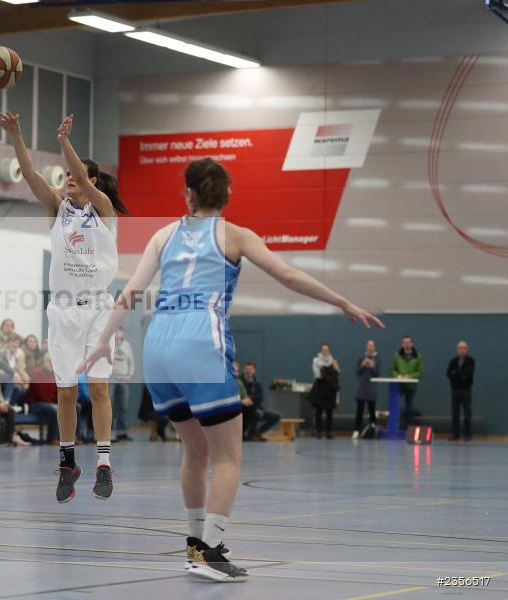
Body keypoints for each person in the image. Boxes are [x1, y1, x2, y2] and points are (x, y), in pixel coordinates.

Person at [79, 157, 382, 582]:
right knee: (227, 457)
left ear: (187, 194)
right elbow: (288, 275)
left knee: (194, 450)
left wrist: (100, 343)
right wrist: (343, 302)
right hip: (200, 342)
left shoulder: (163, 235)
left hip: (158, 346)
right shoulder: (235, 235)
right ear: (228, 195)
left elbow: (129, 292)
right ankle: (210, 551)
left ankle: (195, 544)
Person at [0, 111, 129, 502]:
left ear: (90, 181)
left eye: (76, 174)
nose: (68, 177)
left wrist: (64, 143)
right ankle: (69, 460)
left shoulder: (102, 209)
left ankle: (104, 463)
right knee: (66, 393)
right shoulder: (57, 209)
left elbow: (81, 176)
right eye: (68, 174)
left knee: (101, 389)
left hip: (98, 309)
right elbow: (28, 174)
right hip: (63, 311)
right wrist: (17, 135)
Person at [240, 362, 280, 442]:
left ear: (254, 370)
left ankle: (257, 433)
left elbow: (260, 397)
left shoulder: (257, 383)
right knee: (258, 414)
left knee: (275, 416)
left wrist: (252, 400)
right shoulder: (240, 382)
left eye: (251, 369)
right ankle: (250, 435)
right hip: (245, 409)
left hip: (257, 407)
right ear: (244, 370)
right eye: (247, 369)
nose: (249, 371)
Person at [26, 355, 60, 444]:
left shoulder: (54, 374)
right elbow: (40, 394)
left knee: (76, 407)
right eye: (49, 361)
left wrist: (60, 403)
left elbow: (57, 393)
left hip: (49, 404)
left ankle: (73, 437)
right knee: (54, 409)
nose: (51, 364)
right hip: (35, 404)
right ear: (44, 362)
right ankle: (51, 438)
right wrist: (55, 405)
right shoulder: (37, 373)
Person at [391, 335, 424, 429]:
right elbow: (392, 369)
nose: (407, 344)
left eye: (408, 342)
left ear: (412, 344)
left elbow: (420, 372)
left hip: (411, 386)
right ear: (402, 344)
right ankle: (396, 427)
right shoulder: (397, 356)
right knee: (396, 405)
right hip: (399, 385)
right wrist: (398, 376)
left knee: (409, 407)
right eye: (405, 342)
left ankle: (407, 428)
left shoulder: (418, 356)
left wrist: (409, 376)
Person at [309, 344, 340, 439]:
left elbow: (337, 372)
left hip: (330, 389)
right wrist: (329, 372)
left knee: (329, 411)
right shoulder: (316, 360)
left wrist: (326, 371)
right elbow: (318, 374)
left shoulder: (333, 361)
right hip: (320, 387)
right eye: (323, 350)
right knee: (319, 411)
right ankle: (318, 431)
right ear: (320, 351)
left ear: (329, 351)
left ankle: (329, 432)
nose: (325, 352)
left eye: (327, 350)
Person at [447, 340, 475, 441]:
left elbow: (467, 374)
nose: (461, 350)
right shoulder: (453, 361)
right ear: (457, 349)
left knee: (467, 413)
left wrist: (456, 373)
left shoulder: (471, 361)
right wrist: (458, 374)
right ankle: (455, 434)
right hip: (455, 390)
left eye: (463, 348)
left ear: (467, 349)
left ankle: (467, 435)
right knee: (455, 413)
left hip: (466, 390)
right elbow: (449, 374)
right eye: (459, 348)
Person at [111, 327, 135, 442]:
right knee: (109, 406)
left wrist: (129, 375)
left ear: (123, 333)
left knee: (123, 407)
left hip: (123, 379)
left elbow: (131, 362)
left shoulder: (127, 346)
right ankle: (108, 434)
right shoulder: (109, 344)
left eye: (120, 331)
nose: (117, 333)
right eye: (116, 330)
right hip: (111, 379)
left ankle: (121, 433)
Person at [353, 340, 380, 439]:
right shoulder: (361, 358)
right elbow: (357, 372)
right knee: (359, 410)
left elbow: (377, 373)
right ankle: (356, 430)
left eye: (372, 346)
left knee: (372, 410)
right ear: (366, 347)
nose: (370, 348)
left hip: (371, 388)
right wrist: (363, 365)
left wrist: (372, 366)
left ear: (375, 347)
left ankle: (373, 429)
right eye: (368, 346)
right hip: (361, 387)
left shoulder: (377, 359)